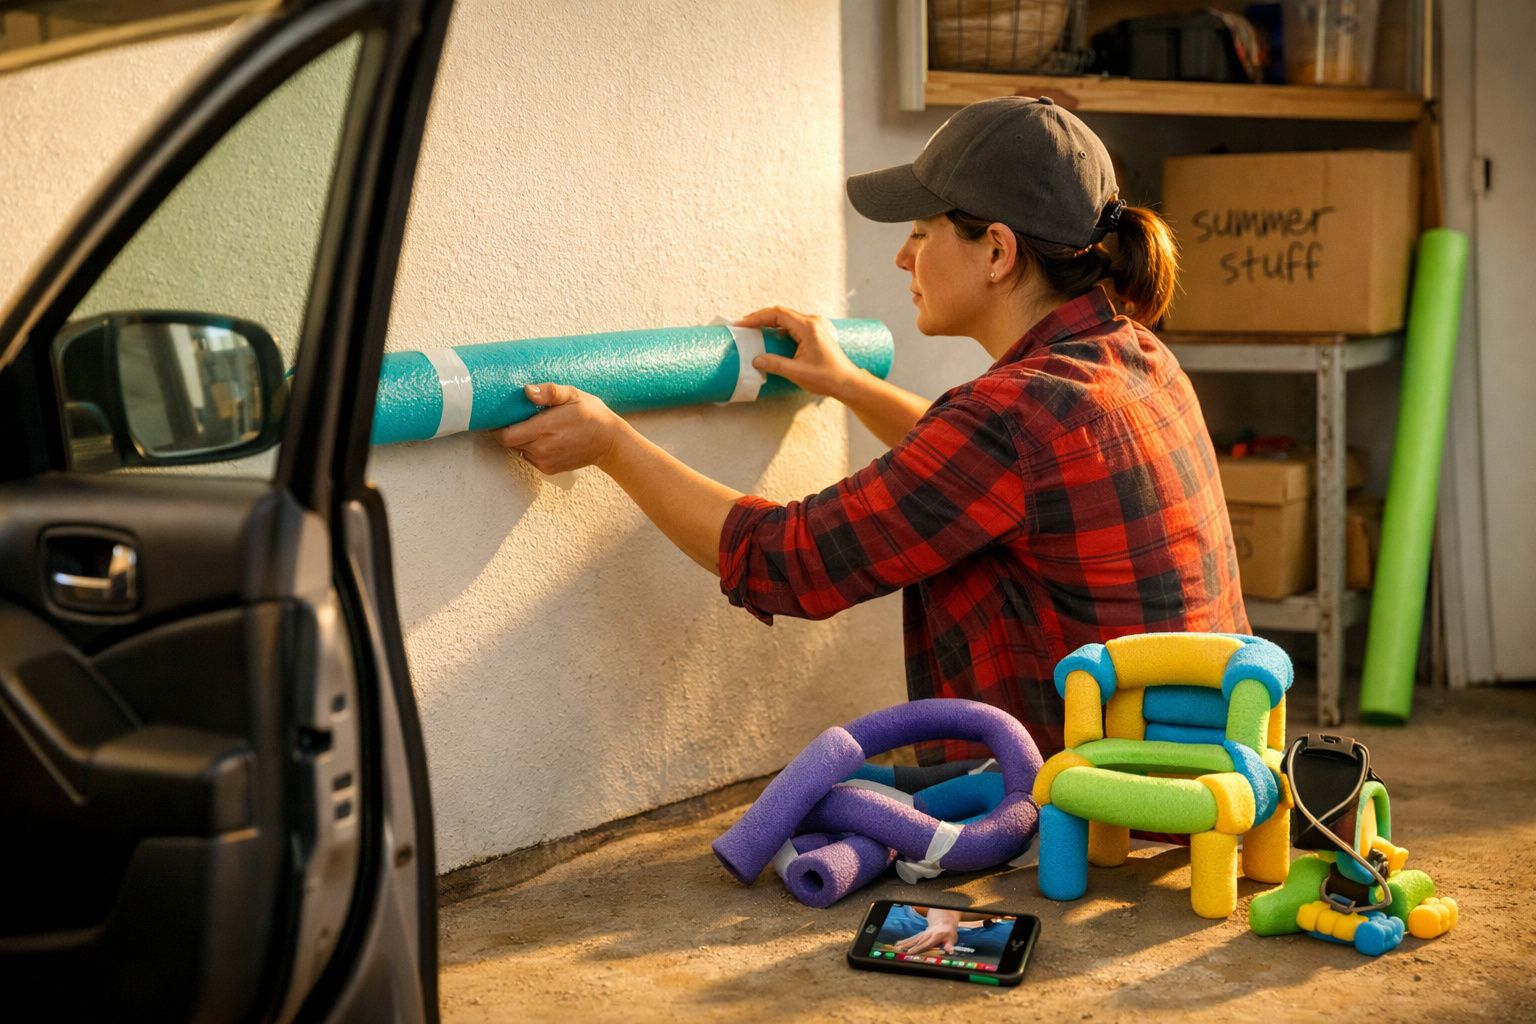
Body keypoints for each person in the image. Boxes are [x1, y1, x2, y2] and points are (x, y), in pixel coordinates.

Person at [493, 96, 1248, 764]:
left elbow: (789, 563)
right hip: (1194, 779)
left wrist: (614, 447)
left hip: (1090, 815)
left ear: (997, 252)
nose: (902, 256)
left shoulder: (1007, 420)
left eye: (922, 232)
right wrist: (851, 384)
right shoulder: (1134, 358)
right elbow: (987, 477)